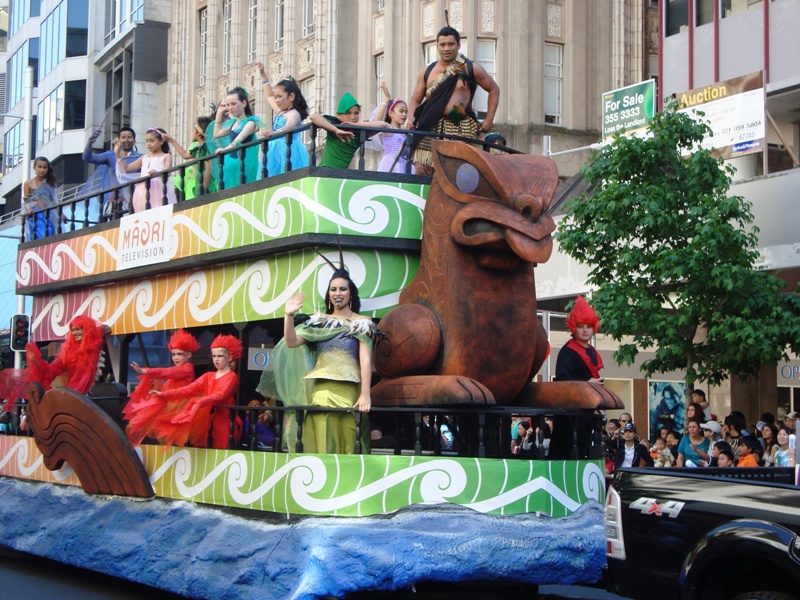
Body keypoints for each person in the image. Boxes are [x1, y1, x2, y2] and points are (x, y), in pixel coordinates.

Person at [280, 260, 379, 454]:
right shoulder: (319, 321)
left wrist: (365, 393)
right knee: (320, 435)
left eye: (343, 289)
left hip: (349, 390)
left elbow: (366, 359)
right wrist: (288, 315)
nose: (337, 293)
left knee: (350, 436)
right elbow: (291, 341)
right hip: (321, 390)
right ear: (329, 294)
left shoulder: (362, 322)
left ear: (351, 294)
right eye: (333, 289)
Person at [407, 26, 500, 175]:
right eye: (442, 45)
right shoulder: (427, 71)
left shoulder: (470, 68)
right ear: (437, 46)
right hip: (429, 126)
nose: (446, 48)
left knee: (456, 174)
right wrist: (411, 118)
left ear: (458, 45)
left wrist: (489, 119)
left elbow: (494, 89)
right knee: (422, 171)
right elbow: (415, 99)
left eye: (451, 44)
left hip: (459, 127)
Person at [150, 334, 243, 450]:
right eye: (214, 356)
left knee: (220, 451)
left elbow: (220, 395)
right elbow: (189, 389)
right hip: (206, 421)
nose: (216, 359)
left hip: (223, 422)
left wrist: (200, 402)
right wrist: (164, 394)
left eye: (220, 356)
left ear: (229, 358)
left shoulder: (231, 377)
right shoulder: (208, 376)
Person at [122, 329, 201, 446]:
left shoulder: (187, 368)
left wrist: (146, 371)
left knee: (170, 435)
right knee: (163, 433)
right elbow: (168, 379)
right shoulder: (178, 370)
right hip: (169, 404)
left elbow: (167, 372)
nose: (176, 358)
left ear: (189, 355)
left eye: (180, 354)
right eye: (173, 354)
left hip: (179, 407)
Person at [25, 315, 110, 395]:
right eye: (72, 330)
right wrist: (36, 361)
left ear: (87, 330)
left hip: (95, 395)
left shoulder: (96, 345)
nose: (74, 333)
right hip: (74, 396)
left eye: (78, 329)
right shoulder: (68, 352)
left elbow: (104, 329)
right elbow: (51, 371)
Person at [310, 92, 389, 169]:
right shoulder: (335, 126)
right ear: (339, 115)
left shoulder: (358, 134)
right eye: (348, 113)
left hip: (339, 176)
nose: (353, 117)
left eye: (356, 113)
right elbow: (313, 117)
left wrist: (358, 124)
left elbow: (382, 125)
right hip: (324, 171)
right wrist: (336, 130)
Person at [254, 67, 310, 175]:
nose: (277, 100)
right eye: (276, 97)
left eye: (280, 96)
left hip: (288, 149)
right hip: (274, 149)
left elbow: (289, 126)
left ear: (291, 96)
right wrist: (263, 75)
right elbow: (269, 96)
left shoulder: (293, 114)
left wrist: (276, 132)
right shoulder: (280, 111)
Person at [209, 86, 267, 189]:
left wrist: (224, 150)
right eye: (228, 105)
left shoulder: (249, 123)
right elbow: (216, 134)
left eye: (233, 104)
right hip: (232, 164)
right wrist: (219, 113)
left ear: (244, 103)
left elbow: (236, 141)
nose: (230, 107)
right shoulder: (232, 123)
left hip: (245, 164)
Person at [81, 125, 141, 217]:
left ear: (134, 141)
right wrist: (90, 141)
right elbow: (87, 157)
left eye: (129, 137)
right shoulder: (110, 156)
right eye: (123, 137)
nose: (126, 140)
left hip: (133, 202)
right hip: (112, 202)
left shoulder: (140, 158)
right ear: (118, 140)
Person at [118, 127, 176, 212]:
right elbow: (126, 168)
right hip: (142, 189)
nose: (148, 144)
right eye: (147, 141)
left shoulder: (166, 156)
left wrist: (157, 173)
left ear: (161, 141)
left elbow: (167, 172)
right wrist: (117, 154)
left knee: (158, 210)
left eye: (152, 141)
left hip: (157, 188)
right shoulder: (144, 158)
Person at [165, 116, 218, 200]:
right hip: (198, 182)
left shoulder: (206, 149)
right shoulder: (198, 149)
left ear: (198, 133)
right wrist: (172, 141)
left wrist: (203, 187)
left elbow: (208, 169)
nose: (192, 133)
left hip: (206, 185)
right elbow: (185, 155)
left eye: (194, 130)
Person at [366, 82, 410, 173]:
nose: (404, 114)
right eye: (401, 111)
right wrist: (386, 99)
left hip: (404, 165)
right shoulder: (389, 129)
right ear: (391, 113)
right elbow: (377, 121)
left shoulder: (405, 133)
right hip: (390, 165)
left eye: (406, 112)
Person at [22, 156, 59, 241]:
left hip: (49, 213)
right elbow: (26, 200)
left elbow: (53, 200)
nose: (42, 170)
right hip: (36, 214)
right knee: (40, 236)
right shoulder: (28, 183)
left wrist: (60, 213)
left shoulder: (51, 182)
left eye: (45, 167)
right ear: (34, 167)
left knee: (51, 233)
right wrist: (29, 209)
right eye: (39, 167)